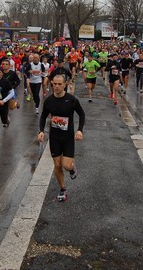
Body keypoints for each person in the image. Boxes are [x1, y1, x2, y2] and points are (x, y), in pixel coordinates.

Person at [37, 74, 85, 202]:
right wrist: (41, 131)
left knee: (66, 165)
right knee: (57, 165)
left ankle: (72, 168)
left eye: (59, 84)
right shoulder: (49, 100)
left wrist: (80, 130)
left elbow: (81, 114)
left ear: (65, 85)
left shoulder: (72, 100)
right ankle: (63, 189)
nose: (57, 86)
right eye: (54, 84)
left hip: (68, 137)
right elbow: (43, 117)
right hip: (55, 137)